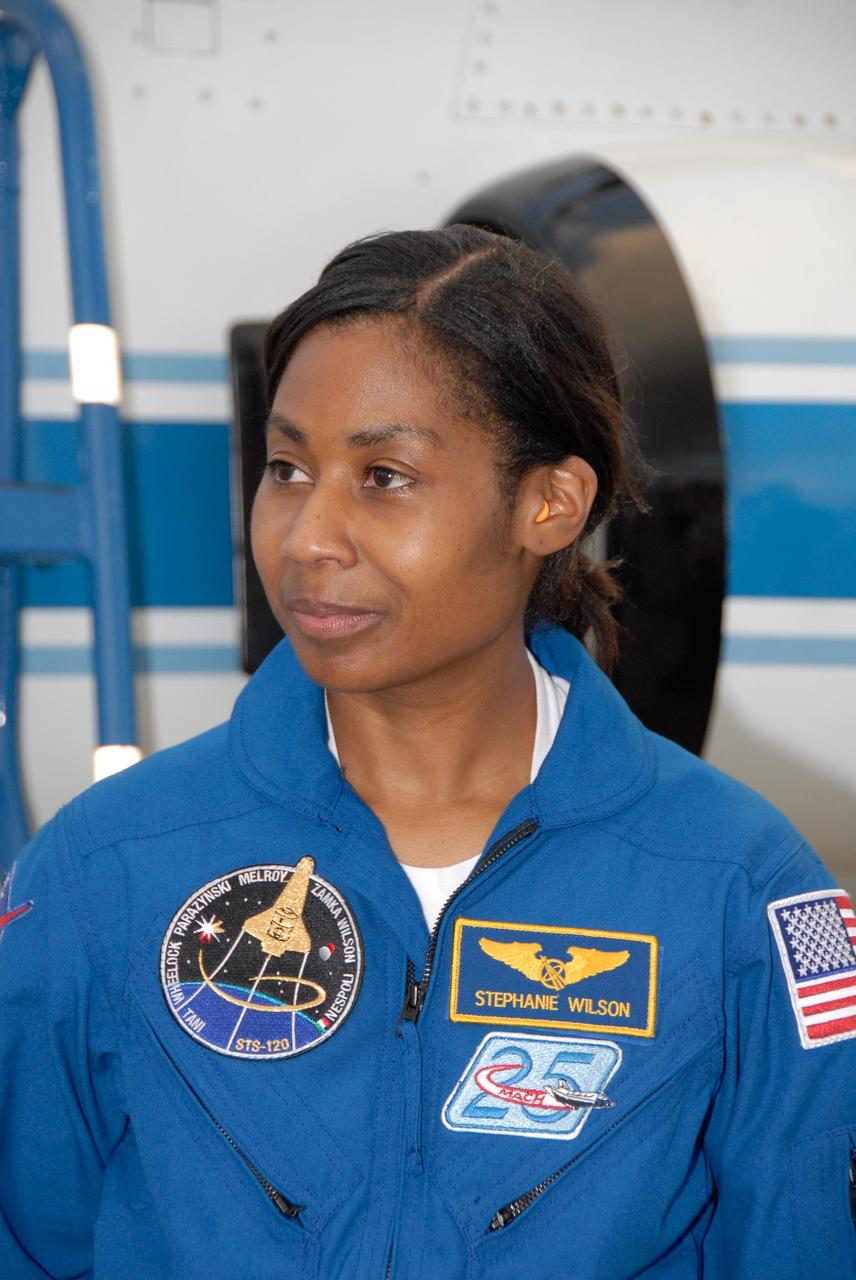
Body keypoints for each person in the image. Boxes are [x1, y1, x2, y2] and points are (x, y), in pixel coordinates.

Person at [1, 225, 854, 1280]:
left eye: (384, 475)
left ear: (549, 503)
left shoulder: (736, 888)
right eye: (287, 466)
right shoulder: (108, 866)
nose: (308, 535)